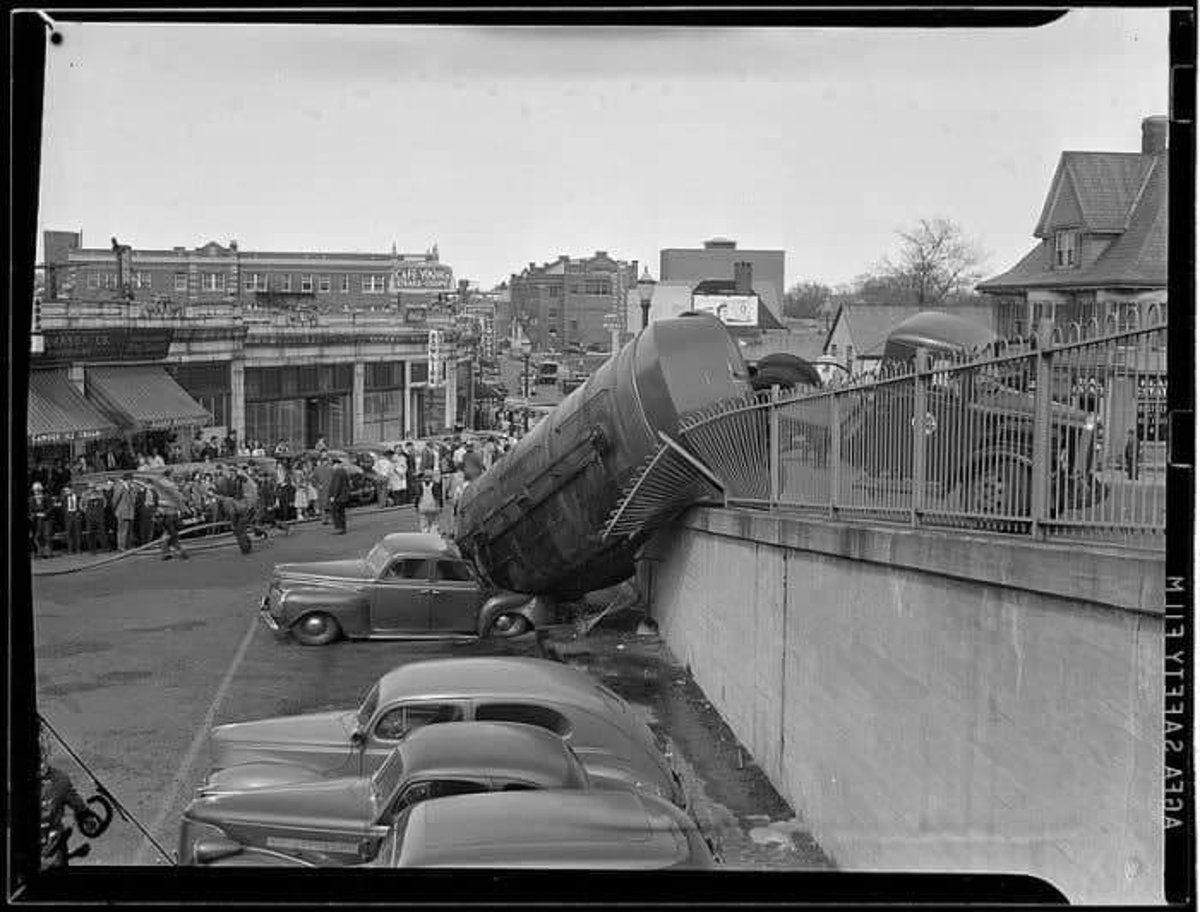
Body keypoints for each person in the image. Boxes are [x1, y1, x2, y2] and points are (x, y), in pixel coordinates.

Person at [39, 727, 101, 872]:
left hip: (52, 851)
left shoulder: (60, 780)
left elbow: (78, 805)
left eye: (43, 754)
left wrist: (86, 817)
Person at [214, 463, 252, 555]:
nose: (231, 472)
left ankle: (245, 547)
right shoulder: (228, 480)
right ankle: (246, 544)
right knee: (237, 529)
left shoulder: (240, 479)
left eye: (232, 470)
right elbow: (224, 492)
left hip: (241, 504)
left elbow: (247, 482)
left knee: (240, 528)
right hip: (234, 504)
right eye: (230, 470)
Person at [156, 470, 189, 560]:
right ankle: (179, 551)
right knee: (172, 533)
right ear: (169, 476)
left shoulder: (167, 485)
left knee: (169, 533)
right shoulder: (167, 485)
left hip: (171, 513)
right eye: (173, 475)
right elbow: (177, 497)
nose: (174, 477)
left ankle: (166, 552)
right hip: (168, 513)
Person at [29, 482, 54, 559]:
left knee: (47, 535)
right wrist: (34, 515)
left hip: (46, 519)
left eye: (38, 491)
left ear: (41, 490)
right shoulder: (32, 499)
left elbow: (51, 508)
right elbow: (31, 510)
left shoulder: (47, 497)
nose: (37, 493)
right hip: (37, 520)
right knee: (38, 536)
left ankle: (49, 553)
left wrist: (45, 514)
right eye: (35, 491)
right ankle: (40, 553)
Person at [415, 471, 443, 535]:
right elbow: (438, 496)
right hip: (433, 506)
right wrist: (441, 506)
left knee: (424, 522)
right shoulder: (435, 484)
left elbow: (418, 495)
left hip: (423, 506)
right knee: (434, 522)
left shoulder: (420, 485)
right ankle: (433, 534)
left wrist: (416, 506)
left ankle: (425, 535)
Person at [83, 485, 109, 554]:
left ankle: (104, 548)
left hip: (99, 517)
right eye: (90, 488)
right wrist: (85, 511)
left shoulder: (100, 495)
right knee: (91, 534)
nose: (91, 489)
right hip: (90, 517)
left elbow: (105, 503)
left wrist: (101, 511)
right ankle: (92, 550)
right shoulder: (85, 495)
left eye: (93, 488)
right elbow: (81, 504)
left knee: (102, 533)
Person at [327, 461, 350, 534]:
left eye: (332, 465)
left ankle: (338, 528)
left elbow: (336, 485)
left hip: (338, 497)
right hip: (344, 496)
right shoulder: (344, 471)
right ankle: (343, 528)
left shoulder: (337, 473)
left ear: (336, 465)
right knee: (342, 513)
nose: (332, 467)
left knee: (336, 512)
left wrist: (333, 496)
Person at [60, 485, 83, 555]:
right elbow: (63, 508)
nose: (67, 492)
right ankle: (70, 550)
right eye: (66, 491)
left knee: (77, 533)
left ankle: (78, 549)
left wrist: (79, 513)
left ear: (72, 490)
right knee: (69, 533)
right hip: (68, 516)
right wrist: (67, 514)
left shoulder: (78, 497)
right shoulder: (64, 498)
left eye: (68, 490)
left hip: (76, 515)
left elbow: (81, 505)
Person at [314, 456, 333, 524]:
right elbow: (313, 478)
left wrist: (318, 485)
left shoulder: (330, 469)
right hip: (324, 489)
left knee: (326, 505)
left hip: (327, 488)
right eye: (327, 461)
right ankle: (325, 519)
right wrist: (318, 485)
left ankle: (326, 519)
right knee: (325, 505)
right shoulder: (318, 469)